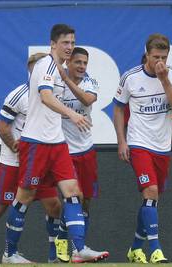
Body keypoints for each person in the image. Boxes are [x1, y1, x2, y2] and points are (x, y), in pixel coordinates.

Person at [1, 24, 108, 264]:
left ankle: (79, 248)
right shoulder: (46, 65)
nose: (69, 47)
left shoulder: (59, 69)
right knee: (24, 198)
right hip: (36, 141)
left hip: (57, 142)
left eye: (72, 42)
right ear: (52, 44)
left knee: (73, 194)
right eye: (65, 43)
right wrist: (72, 114)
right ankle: (10, 253)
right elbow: (46, 96)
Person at [0, 52, 62, 264]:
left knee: (54, 205)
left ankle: (53, 256)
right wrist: (14, 145)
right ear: (31, 70)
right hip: (13, 162)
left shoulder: (52, 95)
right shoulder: (19, 95)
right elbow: (1, 126)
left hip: (39, 162)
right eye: (36, 68)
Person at [113, 33, 172, 263]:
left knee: (151, 200)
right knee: (150, 192)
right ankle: (155, 249)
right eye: (155, 57)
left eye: (163, 57)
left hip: (163, 145)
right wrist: (122, 141)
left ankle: (135, 247)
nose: (159, 62)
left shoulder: (171, 74)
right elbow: (118, 109)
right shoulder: (130, 78)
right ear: (147, 53)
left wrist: (164, 80)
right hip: (139, 142)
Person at [53, 47, 109, 262]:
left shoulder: (89, 82)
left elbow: (87, 100)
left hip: (86, 149)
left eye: (85, 63)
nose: (82, 67)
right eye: (78, 62)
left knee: (86, 201)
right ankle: (73, 244)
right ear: (68, 62)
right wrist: (64, 80)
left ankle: (73, 244)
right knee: (74, 195)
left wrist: (67, 80)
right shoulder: (56, 84)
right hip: (64, 150)